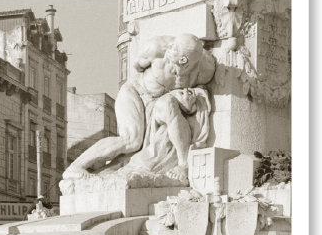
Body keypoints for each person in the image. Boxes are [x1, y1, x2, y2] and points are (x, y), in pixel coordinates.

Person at [62, 34, 215, 183]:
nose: (169, 61)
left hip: (157, 101)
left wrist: (187, 99)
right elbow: (138, 66)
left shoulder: (203, 72)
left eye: (175, 63)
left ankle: (183, 165)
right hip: (136, 91)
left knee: (168, 106)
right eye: (169, 53)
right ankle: (76, 167)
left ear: (185, 62)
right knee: (131, 140)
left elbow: (199, 91)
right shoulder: (157, 49)